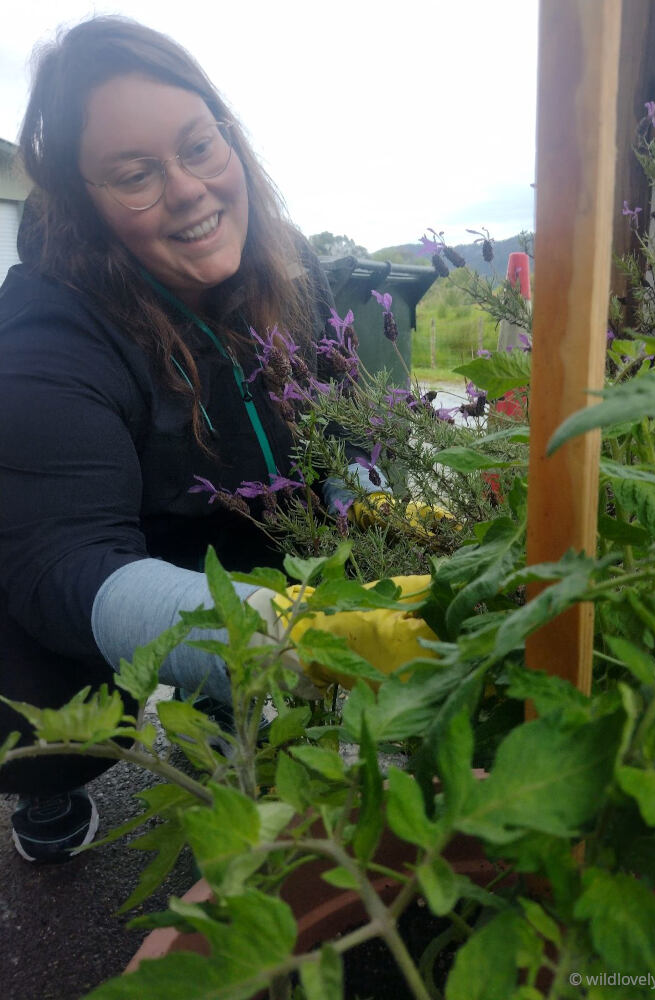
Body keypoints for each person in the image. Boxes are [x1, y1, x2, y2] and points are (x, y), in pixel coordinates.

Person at [0, 16, 427, 863]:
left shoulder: (281, 267)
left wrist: (368, 496)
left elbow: (333, 415)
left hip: (243, 523)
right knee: (44, 697)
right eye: (135, 176)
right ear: (85, 205)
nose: (190, 190)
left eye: (199, 145)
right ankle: (48, 792)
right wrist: (287, 634)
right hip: (128, 546)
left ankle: (241, 755)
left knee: (244, 676)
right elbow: (65, 563)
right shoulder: (48, 337)